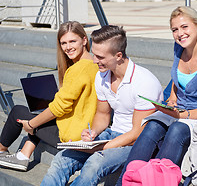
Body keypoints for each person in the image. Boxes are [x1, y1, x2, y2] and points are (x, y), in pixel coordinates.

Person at [116, 6, 197, 185]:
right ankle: (124, 182)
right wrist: (173, 97)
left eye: (184, 27)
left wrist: (182, 116)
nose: (179, 33)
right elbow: (177, 77)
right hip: (179, 109)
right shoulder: (179, 47)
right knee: (152, 125)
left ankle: (156, 181)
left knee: (176, 130)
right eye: (175, 29)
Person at [41, 25, 163, 186]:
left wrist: (103, 147)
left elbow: (137, 133)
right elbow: (102, 115)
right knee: (62, 158)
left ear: (118, 55)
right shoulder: (102, 76)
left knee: (94, 164)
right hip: (112, 134)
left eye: (100, 57)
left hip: (139, 143)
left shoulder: (144, 82)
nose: (94, 60)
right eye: (94, 55)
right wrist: (93, 133)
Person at [0, 21, 98, 171]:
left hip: (71, 136)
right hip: (85, 127)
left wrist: (31, 125)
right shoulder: (96, 64)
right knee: (40, 111)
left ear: (84, 40)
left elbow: (59, 108)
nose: (68, 47)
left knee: (18, 112)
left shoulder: (77, 69)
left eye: (73, 41)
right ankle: (23, 156)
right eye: (63, 43)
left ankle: (1, 150)